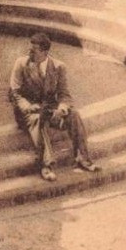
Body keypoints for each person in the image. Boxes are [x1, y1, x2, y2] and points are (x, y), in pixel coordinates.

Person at [9, 32, 101, 181]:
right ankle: (46, 165)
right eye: (29, 49)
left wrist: (62, 108)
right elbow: (15, 93)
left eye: (34, 51)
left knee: (74, 115)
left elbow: (64, 94)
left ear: (45, 52)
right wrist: (28, 106)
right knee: (37, 119)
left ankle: (83, 158)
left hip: (49, 109)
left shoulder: (59, 67)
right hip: (27, 112)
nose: (29, 53)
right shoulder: (21, 64)